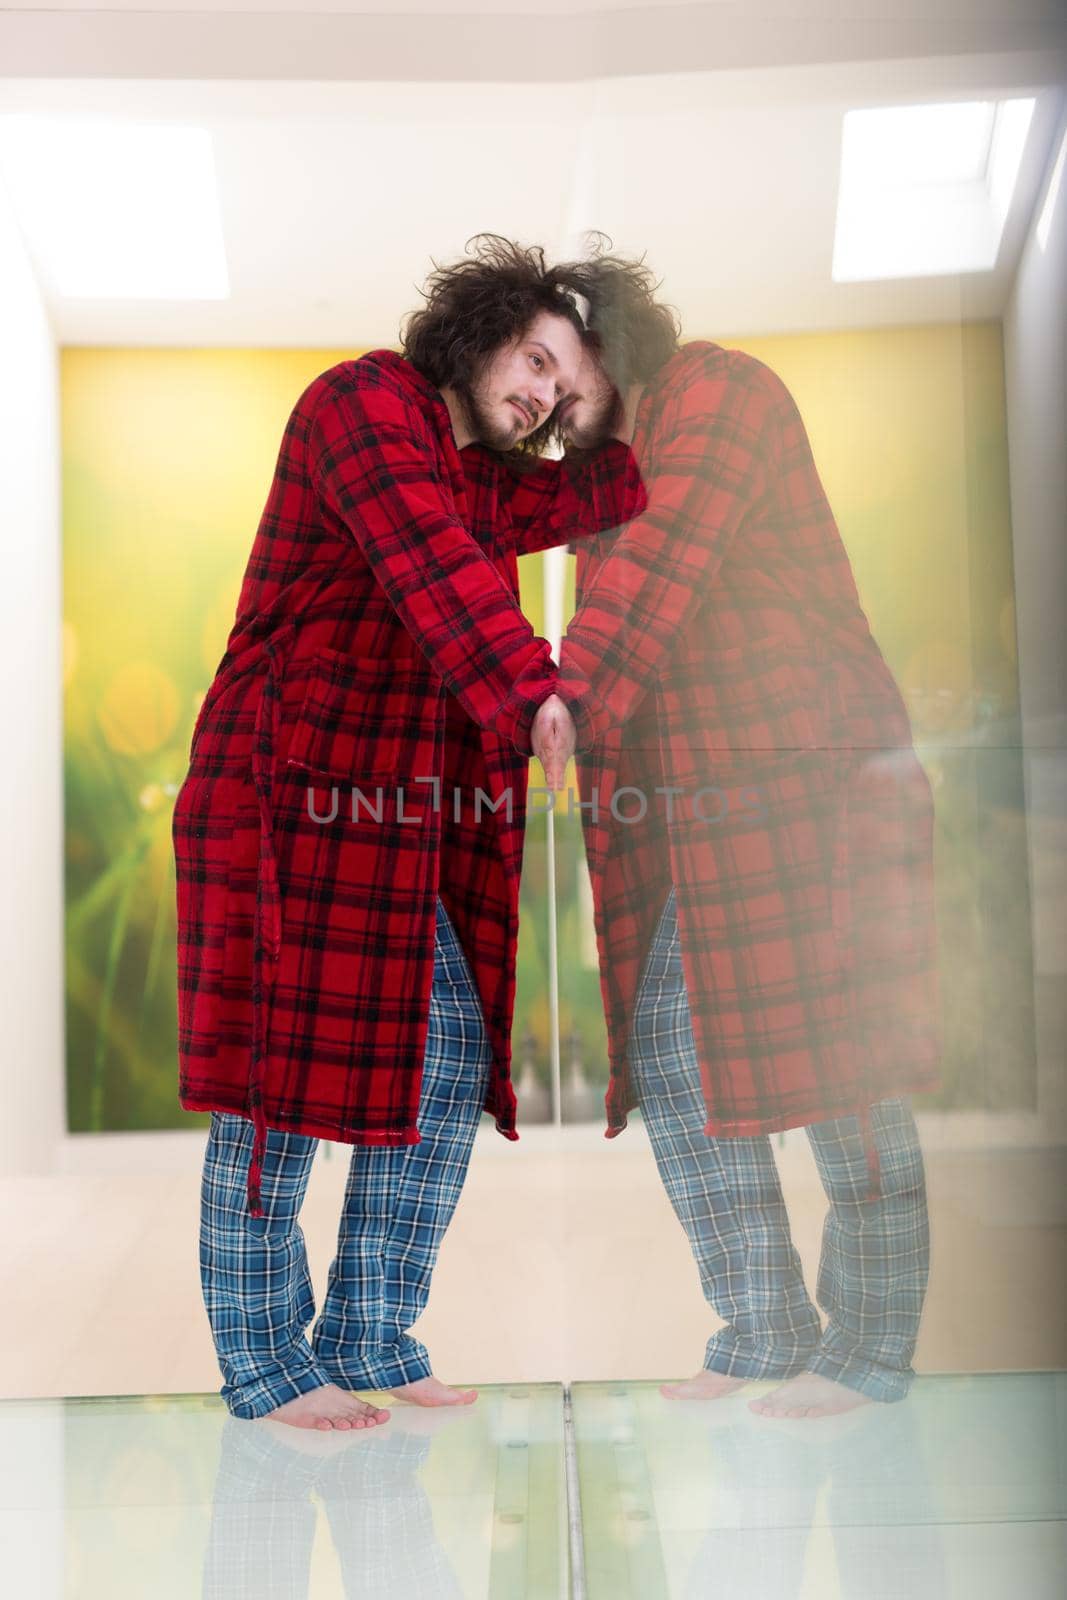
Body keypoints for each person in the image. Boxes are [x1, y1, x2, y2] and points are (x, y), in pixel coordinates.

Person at [172, 237, 645, 1431]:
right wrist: (532, 683)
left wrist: (612, 408)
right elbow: (425, 556)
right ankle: (267, 1363)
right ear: (477, 327)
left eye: (560, 385)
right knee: (275, 1091)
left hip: (395, 822)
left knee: (440, 1063)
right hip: (283, 796)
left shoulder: (468, 470)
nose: (539, 392)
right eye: (534, 357)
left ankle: (371, 1335)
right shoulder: (363, 404)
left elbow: (588, 490)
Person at [550, 248, 941, 1418]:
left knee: (844, 1067)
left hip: (808, 783)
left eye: (551, 360)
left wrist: (552, 698)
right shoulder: (597, 480)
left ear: (606, 337)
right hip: (694, 815)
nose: (540, 397)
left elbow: (660, 570)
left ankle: (868, 1350)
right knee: (673, 1056)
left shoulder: (721, 392)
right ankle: (763, 1323)